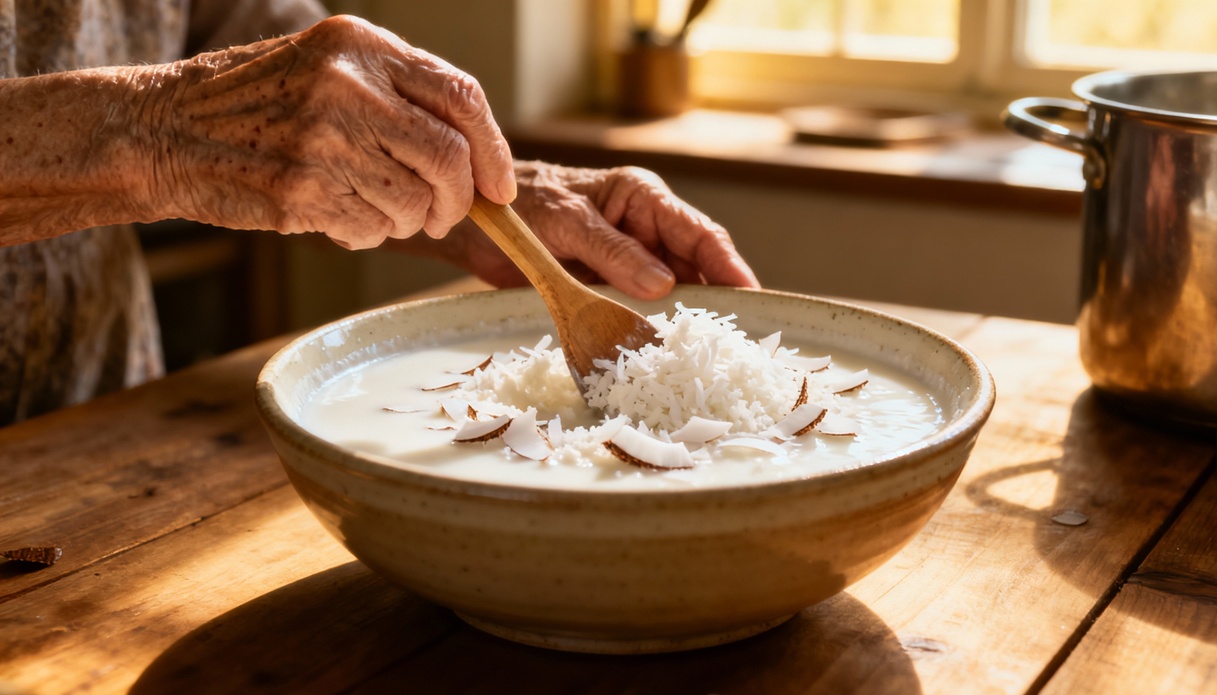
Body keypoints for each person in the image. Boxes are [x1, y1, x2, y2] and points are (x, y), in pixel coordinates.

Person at [0, 1, 759, 426]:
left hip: (96, 423)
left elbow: (244, 35)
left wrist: (496, 189)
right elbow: (195, 112)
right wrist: (152, 131)